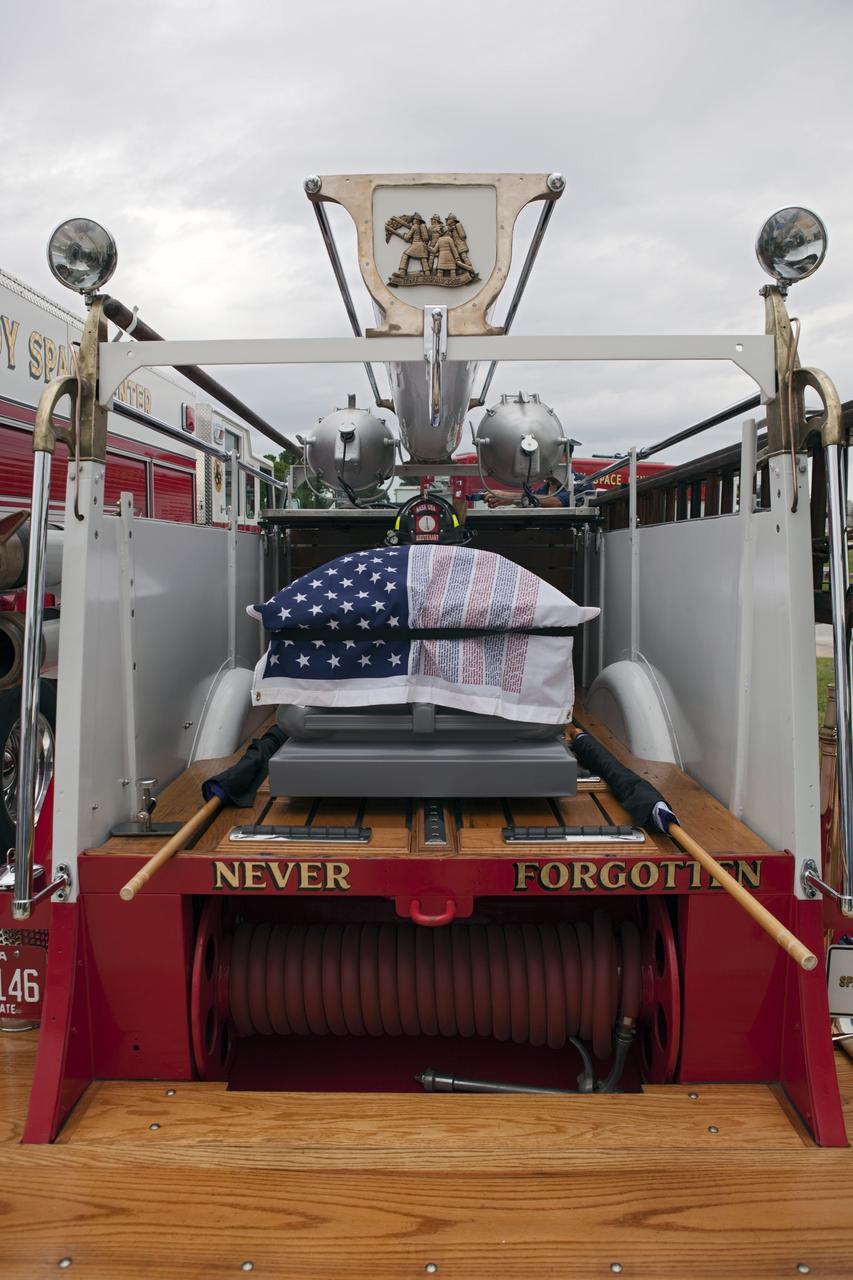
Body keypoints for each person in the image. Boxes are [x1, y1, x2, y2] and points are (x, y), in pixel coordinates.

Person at [484, 475, 572, 508]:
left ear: (566, 456)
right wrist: (504, 499)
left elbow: (557, 502)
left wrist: (510, 497)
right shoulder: (543, 490)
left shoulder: (579, 483)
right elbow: (531, 500)